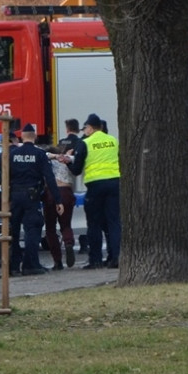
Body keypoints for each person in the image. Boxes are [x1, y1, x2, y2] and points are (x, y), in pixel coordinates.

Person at [0, 123, 64, 275]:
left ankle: (14, 266)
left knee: (14, 232)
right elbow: (49, 177)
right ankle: (30, 265)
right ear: (35, 136)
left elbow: (4, 176)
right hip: (32, 196)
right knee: (33, 229)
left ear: (22, 136)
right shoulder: (39, 154)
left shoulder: (13, 154)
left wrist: (6, 197)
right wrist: (58, 200)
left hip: (14, 196)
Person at [68, 113, 121, 269]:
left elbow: (76, 170)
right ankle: (116, 257)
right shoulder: (113, 140)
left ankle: (96, 260)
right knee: (114, 222)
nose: (84, 131)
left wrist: (66, 163)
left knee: (94, 224)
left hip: (95, 186)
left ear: (90, 128)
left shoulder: (85, 143)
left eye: (85, 128)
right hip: (114, 183)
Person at [42, 145, 76, 269]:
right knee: (66, 224)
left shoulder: (45, 160)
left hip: (50, 193)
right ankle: (68, 243)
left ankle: (57, 261)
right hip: (66, 191)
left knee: (50, 228)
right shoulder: (66, 161)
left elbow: (43, 154)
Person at [60, 118, 89, 253]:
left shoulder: (61, 143)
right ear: (77, 129)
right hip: (79, 184)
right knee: (82, 216)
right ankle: (83, 245)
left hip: (64, 183)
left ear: (67, 129)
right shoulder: (81, 143)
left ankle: (66, 241)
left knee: (64, 218)